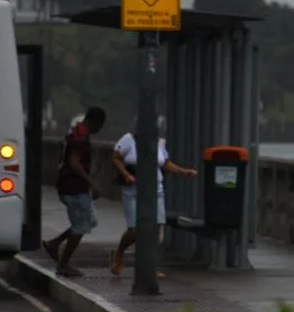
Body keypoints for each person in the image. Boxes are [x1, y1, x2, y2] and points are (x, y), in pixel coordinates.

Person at [108, 119, 197, 277]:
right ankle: (119, 253)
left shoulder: (159, 143)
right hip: (133, 190)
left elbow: (166, 163)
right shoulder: (128, 140)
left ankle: (149, 265)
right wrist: (126, 174)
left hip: (156, 189)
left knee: (157, 230)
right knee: (135, 229)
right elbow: (115, 157)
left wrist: (183, 172)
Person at [42, 106, 107, 277]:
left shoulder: (78, 131)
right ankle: (63, 264)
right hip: (73, 187)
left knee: (89, 221)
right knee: (81, 226)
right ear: (95, 121)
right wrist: (91, 182)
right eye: (100, 126)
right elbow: (74, 162)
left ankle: (55, 244)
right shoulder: (80, 136)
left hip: (74, 186)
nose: (99, 130)